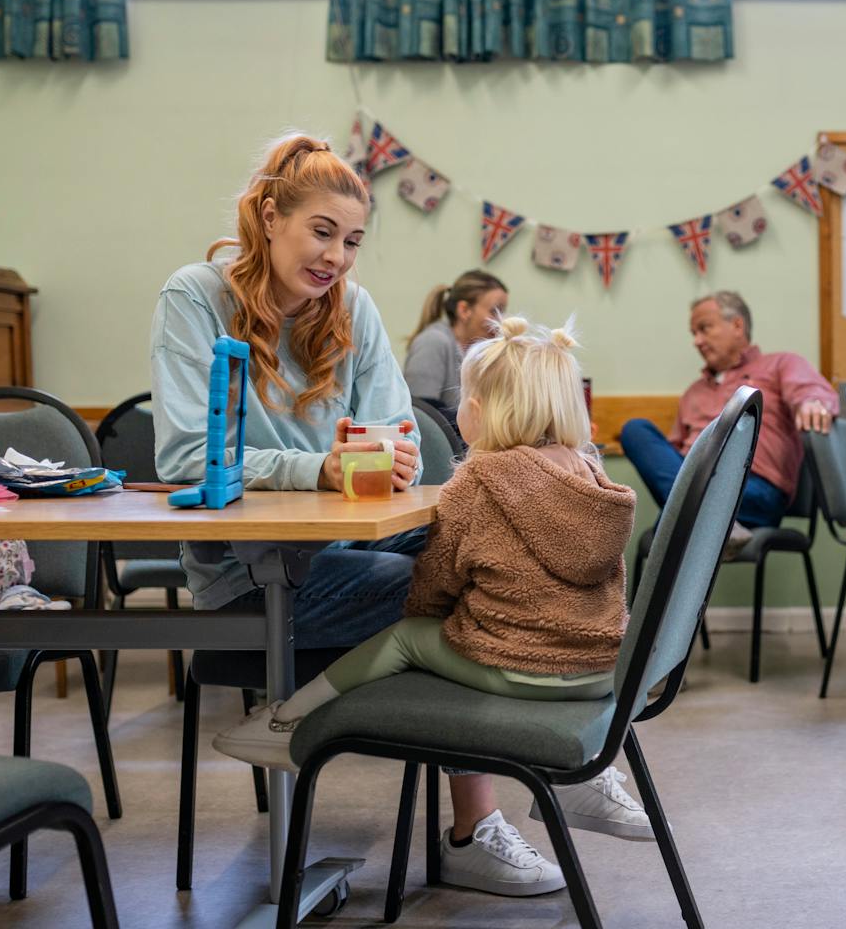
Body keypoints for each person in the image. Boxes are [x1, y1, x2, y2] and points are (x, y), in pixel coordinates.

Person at [150, 135, 581, 894]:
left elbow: (399, 437)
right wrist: (319, 466)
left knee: (500, 551)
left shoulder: (352, 309)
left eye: (352, 241)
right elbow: (189, 458)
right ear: (269, 214)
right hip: (246, 578)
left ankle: (536, 776)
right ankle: (484, 820)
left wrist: (385, 459)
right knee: (461, 588)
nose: (338, 259)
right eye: (323, 233)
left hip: (349, 550)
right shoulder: (196, 297)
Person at [212, 316, 651, 897]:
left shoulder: (479, 482)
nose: (456, 411)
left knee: (408, 635)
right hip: (598, 678)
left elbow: (436, 585)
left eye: (463, 400)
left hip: (523, 670)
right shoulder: (593, 477)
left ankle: (287, 721)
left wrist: (434, 612)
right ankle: (568, 777)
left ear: (484, 409)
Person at [620, 291, 837, 548]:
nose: (697, 341)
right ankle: (709, 517)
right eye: (693, 334)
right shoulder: (693, 393)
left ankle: (697, 515)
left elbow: (812, 391)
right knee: (635, 430)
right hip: (694, 483)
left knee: (671, 529)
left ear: (737, 325)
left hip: (753, 493)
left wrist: (813, 403)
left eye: (704, 328)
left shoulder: (779, 365)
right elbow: (668, 465)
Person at [403, 269, 508, 412]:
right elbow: (421, 414)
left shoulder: (478, 354)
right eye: (495, 311)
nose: (502, 321)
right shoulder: (433, 342)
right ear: (464, 310)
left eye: (503, 312)